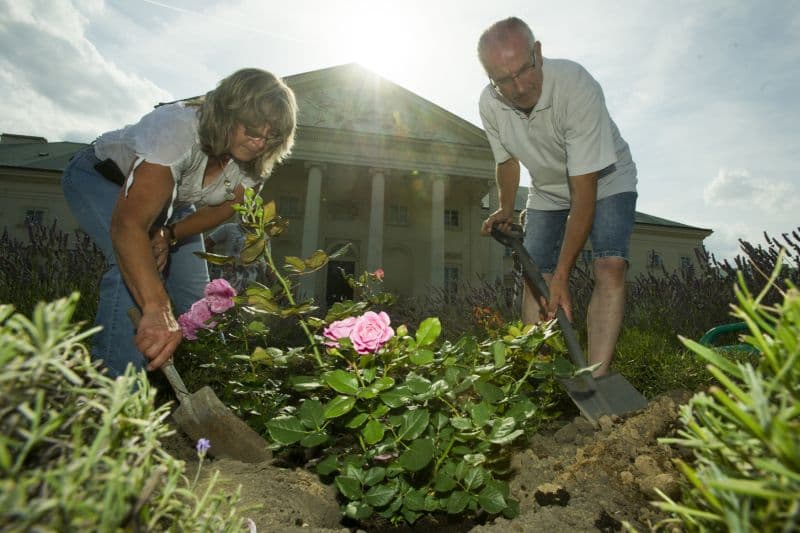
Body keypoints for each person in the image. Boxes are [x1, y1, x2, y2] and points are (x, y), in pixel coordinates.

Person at [62, 68, 297, 378]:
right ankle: (115, 392)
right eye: (253, 130)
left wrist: (170, 234)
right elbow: (128, 225)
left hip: (172, 206)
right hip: (101, 177)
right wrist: (157, 308)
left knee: (198, 302)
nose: (259, 143)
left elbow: (222, 210)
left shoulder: (254, 168)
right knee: (134, 266)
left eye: (271, 137)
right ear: (228, 112)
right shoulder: (177, 128)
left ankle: (212, 386)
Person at [477, 17, 637, 377]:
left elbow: (584, 193)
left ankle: (595, 378)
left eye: (523, 71)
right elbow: (506, 161)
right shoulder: (490, 104)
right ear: (490, 78)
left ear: (538, 53)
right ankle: (536, 379)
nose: (517, 88)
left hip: (606, 178)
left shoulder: (574, 86)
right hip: (547, 189)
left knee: (609, 265)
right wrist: (505, 207)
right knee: (537, 278)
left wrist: (563, 275)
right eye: (503, 79)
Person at [204, 222, 267, 291]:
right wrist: (211, 269)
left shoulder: (264, 234)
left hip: (252, 286)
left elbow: (265, 260)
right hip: (229, 283)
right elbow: (207, 243)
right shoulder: (230, 228)